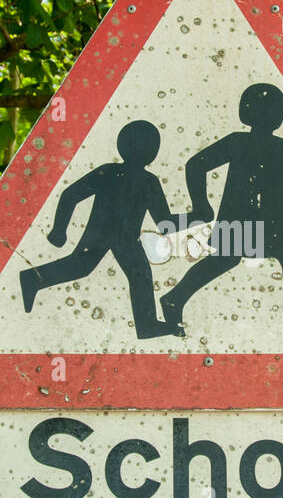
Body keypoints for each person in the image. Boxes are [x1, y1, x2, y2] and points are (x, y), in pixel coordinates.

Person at [159, 83, 283, 346]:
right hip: (254, 218)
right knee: (280, 261)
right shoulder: (250, 143)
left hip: (266, 219)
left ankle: (174, 298)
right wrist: (201, 206)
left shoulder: (268, 146)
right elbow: (196, 165)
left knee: (251, 260)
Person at [20, 120, 177, 338]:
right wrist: (58, 230)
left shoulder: (132, 177)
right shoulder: (118, 175)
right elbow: (71, 195)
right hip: (106, 234)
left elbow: (164, 222)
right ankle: (32, 278)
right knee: (127, 272)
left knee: (123, 272)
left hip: (121, 237)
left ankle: (34, 278)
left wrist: (196, 218)